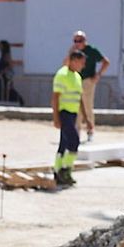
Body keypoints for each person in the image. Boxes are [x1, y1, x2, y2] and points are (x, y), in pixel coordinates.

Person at [66, 31, 109, 139]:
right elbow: (66, 64)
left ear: (84, 41)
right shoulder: (73, 51)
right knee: (76, 106)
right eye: (75, 41)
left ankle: (90, 130)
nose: (77, 43)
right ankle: (77, 131)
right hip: (75, 80)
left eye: (79, 41)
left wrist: (98, 75)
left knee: (87, 105)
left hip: (87, 81)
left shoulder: (91, 50)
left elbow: (106, 62)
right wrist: (70, 54)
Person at [51, 51, 86, 186]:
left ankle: (57, 170)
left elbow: (80, 98)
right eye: (81, 63)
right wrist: (56, 118)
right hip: (64, 113)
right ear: (73, 60)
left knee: (64, 144)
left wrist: (86, 118)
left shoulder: (77, 77)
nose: (82, 66)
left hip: (72, 114)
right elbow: (55, 98)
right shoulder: (62, 75)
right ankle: (65, 169)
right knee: (74, 141)